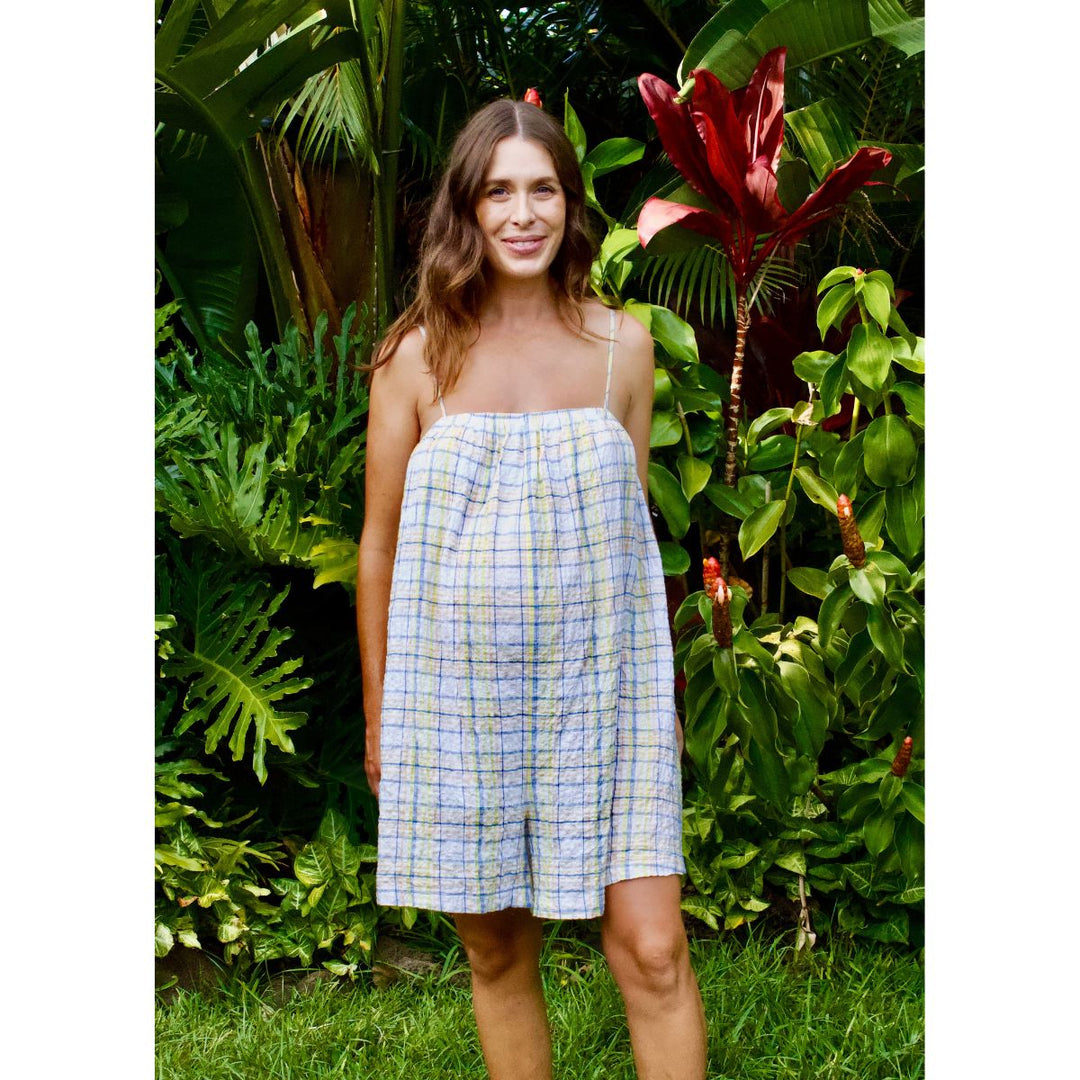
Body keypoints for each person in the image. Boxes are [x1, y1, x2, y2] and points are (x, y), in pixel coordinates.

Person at [357, 96, 707, 1080]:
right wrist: (384, 717)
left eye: (541, 189)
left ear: (569, 205)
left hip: (604, 698)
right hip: (457, 702)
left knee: (653, 949)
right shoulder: (416, 358)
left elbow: (628, 540)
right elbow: (377, 549)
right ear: (465, 210)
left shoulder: (621, 350)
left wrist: (658, 699)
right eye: (497, 191)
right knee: (498, 949)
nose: (521, 213)